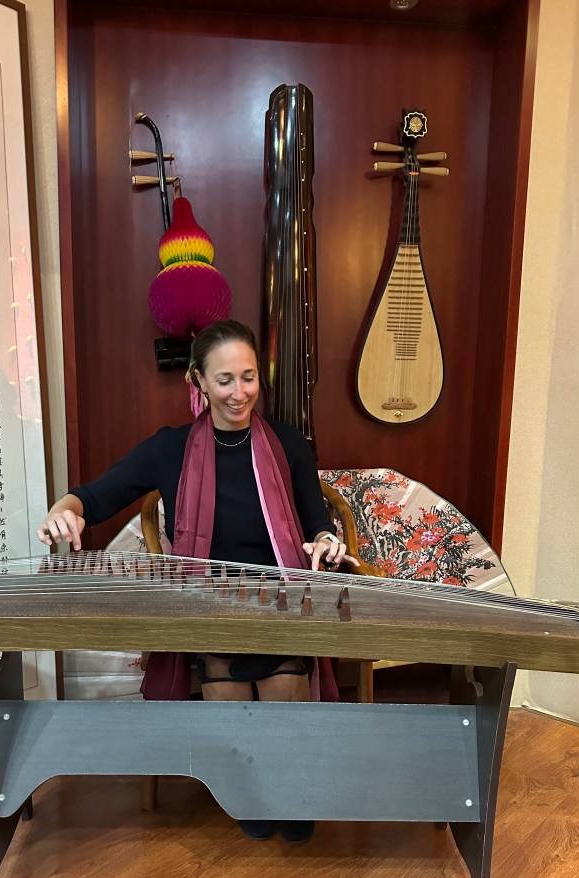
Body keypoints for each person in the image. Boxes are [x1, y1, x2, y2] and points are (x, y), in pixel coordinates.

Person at [37, 319, 357, 843]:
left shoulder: (289, 444)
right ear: (199, 382)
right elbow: (92, 496)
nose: (239, 393)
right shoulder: (171, 448)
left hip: (278, 598)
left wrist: (324, 538)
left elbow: (314, 517)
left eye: (248, 377)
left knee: (282, 686)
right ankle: (248, 789)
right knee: (229, 690)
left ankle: (291, 787)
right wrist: (63, 511)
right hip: (209, 604)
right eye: (224, 380)